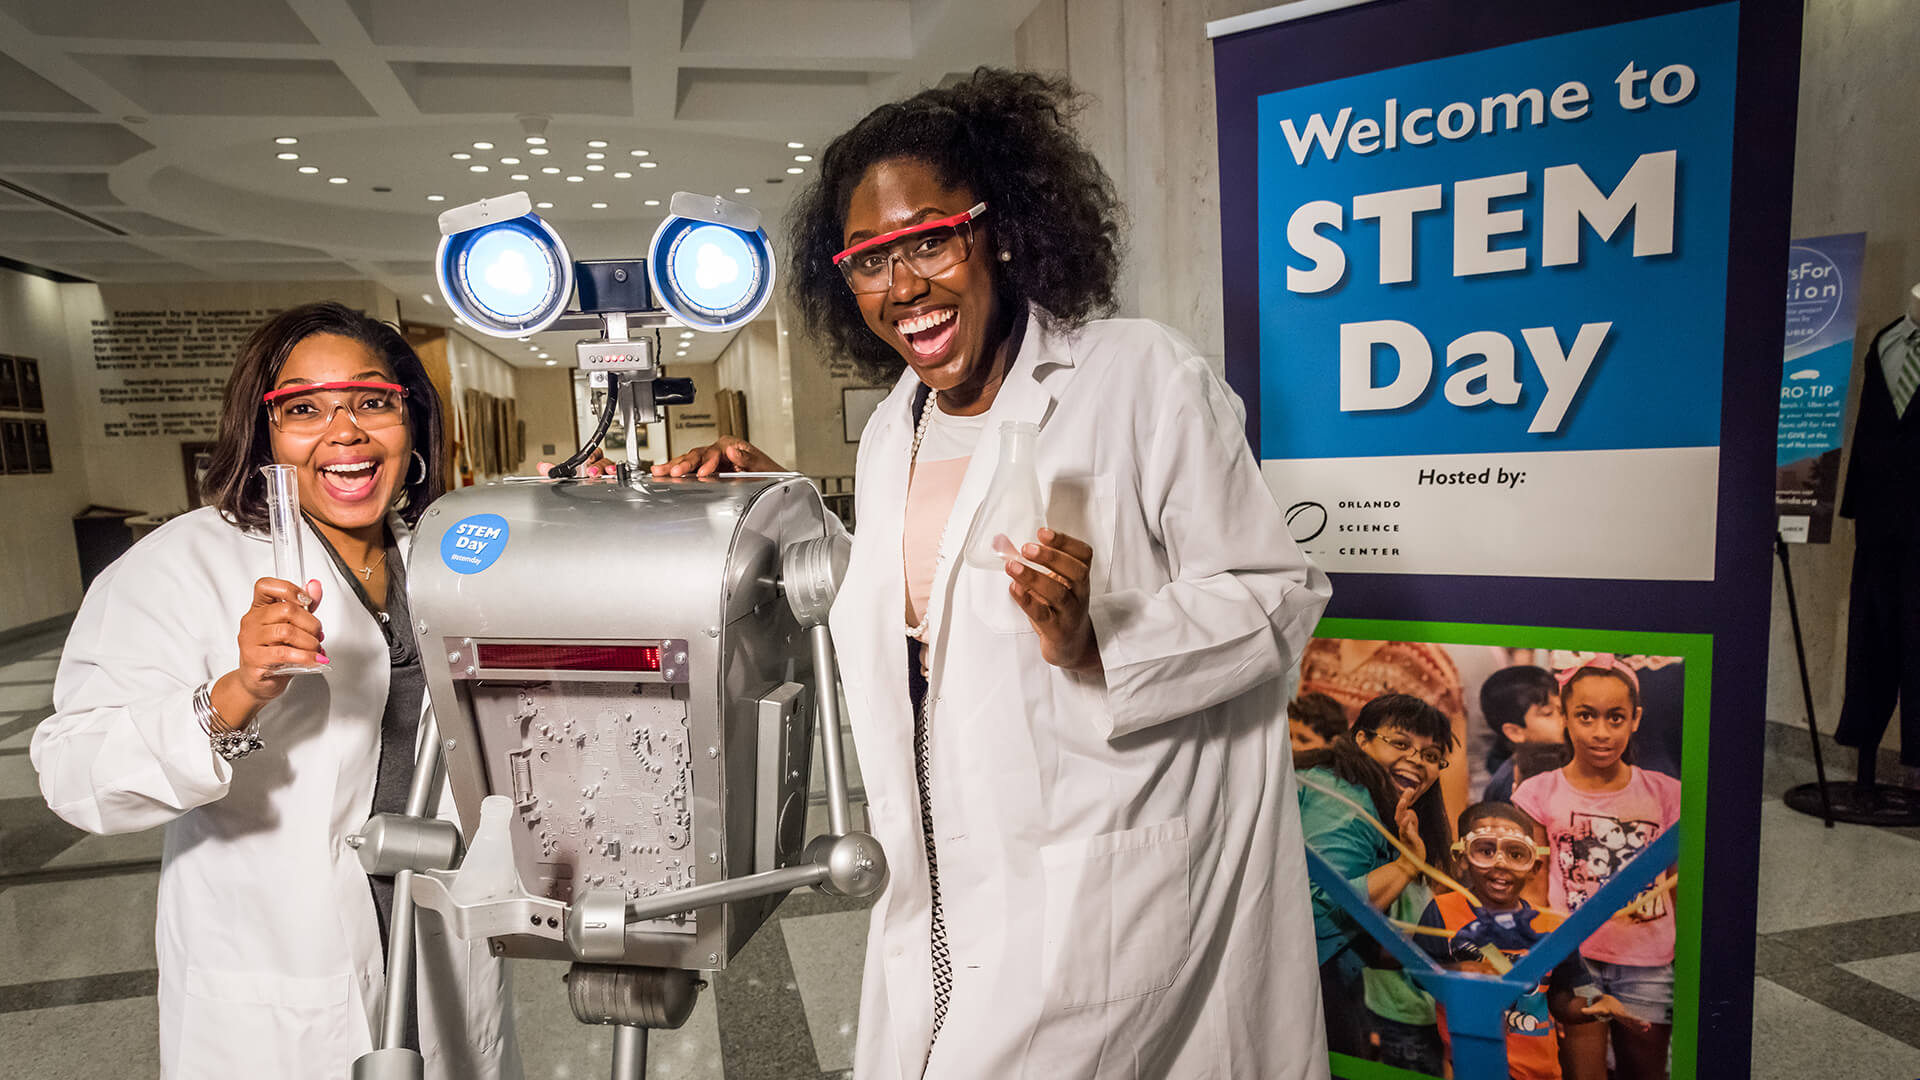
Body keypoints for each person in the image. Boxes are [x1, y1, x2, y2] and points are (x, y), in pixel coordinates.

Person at [653, 68, 1332, 1078]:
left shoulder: (1135, 376)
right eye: (869, 260)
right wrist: (775, 502)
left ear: (1001, 231)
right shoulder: (899, 425)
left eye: (930, 240)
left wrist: (1101, 638)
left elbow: (1276, 592)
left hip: (1102, 867)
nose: (903, 286)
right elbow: (920, 606)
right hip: (941, 868)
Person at [31, 303, 518, 1079]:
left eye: (372, 401)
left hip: (438, 941)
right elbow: (74, 774)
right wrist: (234, 694)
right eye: (304, 408)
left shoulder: (443, 556)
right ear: (264, 432)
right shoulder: (183, 564)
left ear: (411, 419)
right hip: (284, 968)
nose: (345, 432)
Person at [1512, 656, 1681, 1080]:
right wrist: (1540, 967)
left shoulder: (1667, 794)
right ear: (1565, 716)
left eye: (1615, 717)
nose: (1601, 732)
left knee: (1645, 1072)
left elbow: (1679, 887)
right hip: (1574, 961)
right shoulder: (1538, 793)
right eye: (1586, 716)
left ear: (1635, 719)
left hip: (1649, 964)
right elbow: (1532, 890)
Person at [1416, 802, 1646, 1080]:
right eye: (1486, 851)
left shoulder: (1552, 927)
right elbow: (1420, 975)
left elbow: (1562, 1000)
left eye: (1516, 854)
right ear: (1463, 857)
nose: (1500, 864)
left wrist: (1596, 1007)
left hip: (1540, 1071)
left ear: (1533, 867)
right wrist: (1459, 971)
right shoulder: (1442, 911)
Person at [1293, 694, 1455, 1064]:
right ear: (1362, 740)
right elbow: (1314, 918)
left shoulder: (1374, 801)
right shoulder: (1346, 800)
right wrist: (1405, 866)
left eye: (1431, 755)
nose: (1417, 759)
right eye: (1400, 743)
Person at [1481, 665, 1564, 802]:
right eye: (1548, 713)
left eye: (1562, 708)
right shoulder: (1509, 787)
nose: (1564, 717)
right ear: (1515, 732)